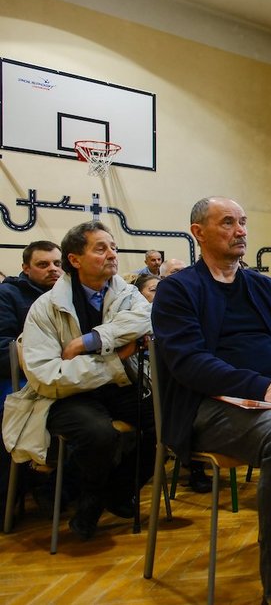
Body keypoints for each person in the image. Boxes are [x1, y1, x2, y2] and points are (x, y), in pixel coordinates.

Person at [152, 197, 271, 604]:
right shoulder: (177, 290)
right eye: (227, 222)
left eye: (243, 221)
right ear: (199, 232)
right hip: (208, 406)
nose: (241, 230)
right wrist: (264, 388)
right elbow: (191, 364)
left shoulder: (266, 288)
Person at [21, 222, 154, 540]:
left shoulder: (126, 292)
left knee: (171, 419)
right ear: (75, 259)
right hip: (67, 395)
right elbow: (47, 376)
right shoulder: (46, 307)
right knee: (98, 434)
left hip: (121, 386)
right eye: (101, 248)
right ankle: (91, 501)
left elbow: (148, 316)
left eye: (113, 247)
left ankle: (118, 490)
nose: (112, 254)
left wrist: (90, 341)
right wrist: (114, 359)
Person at [0, 241, 64, 514]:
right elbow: (3, 346)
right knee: (11, 415)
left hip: (63, 377)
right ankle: (9, 497)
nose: (53, 269)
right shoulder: (9, 295)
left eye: (57, 264)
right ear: (26, 268)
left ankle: (57, 489)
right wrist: (41, 358)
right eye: (43, 264)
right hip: (19, 377)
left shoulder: (69, 295)